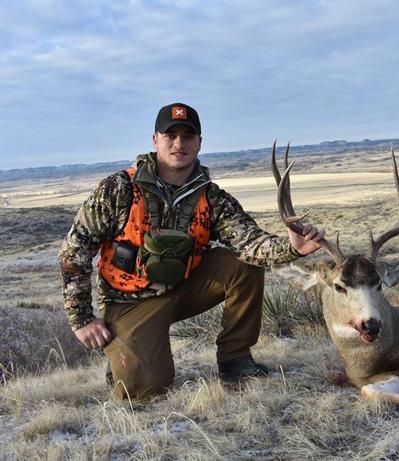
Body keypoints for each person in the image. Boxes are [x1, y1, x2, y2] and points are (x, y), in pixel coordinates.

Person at [59, 102, 325, 400]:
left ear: (200, 142)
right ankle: (128, 354)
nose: (179, 143)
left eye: (188, 136)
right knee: (144, 388)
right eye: (170, 135)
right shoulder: (118, 190)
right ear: (155, 139)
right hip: (130, 302)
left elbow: (251, 243)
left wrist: (293, 248)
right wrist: (81, 318)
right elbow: (74, 251)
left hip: (185, 288)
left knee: (243, 265)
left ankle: (235, 360)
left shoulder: (212, 198)